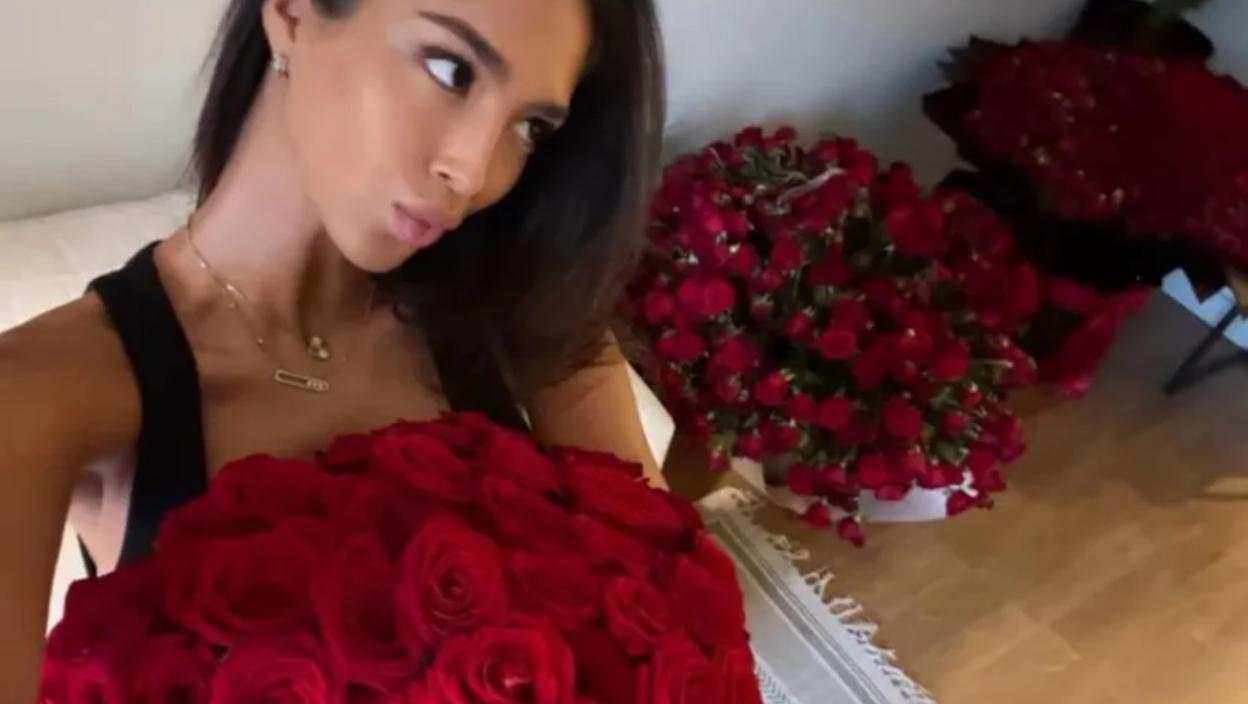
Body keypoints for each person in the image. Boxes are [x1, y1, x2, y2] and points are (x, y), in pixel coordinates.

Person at [0, 0, 665, 697]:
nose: (472, 173)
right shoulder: (41, 398)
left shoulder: (533, 326)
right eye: (451, 69)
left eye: (529, 127)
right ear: (292, 13)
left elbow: (663, 632)